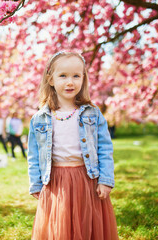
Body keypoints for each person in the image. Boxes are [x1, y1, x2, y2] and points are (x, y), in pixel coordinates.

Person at [27, 51, 118, 239]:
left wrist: (106, 180)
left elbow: (105, 148)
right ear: (50, 79)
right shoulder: (40, 119)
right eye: (63, 76)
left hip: (87, 179)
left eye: (76, 76)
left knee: (86, 225)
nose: (70, 82)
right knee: (61, 228)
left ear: (83, 79)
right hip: (56, 181)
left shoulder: (92, 114)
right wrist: (36, 183)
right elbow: (34, 155)